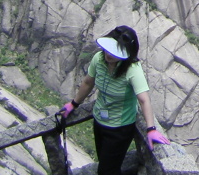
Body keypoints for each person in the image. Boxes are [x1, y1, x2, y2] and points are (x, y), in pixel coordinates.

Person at [61, 25, 170, 174]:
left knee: (107, 170)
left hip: (120, 129)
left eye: (114, 52)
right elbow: (88, 82)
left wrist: (151, 129)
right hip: (99, 121)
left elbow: (144, 100)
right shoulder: (98, 59)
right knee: (106, 165)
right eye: (108, 49)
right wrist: (73, 104)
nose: (109, 54)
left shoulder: (132, 69)